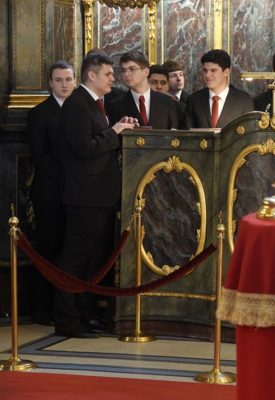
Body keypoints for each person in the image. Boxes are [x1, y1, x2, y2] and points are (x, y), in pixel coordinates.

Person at [55, 52, 137, 338]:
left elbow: (97, 139)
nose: (114, 78)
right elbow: (83, 148)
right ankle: (66, 319)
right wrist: (115, 131)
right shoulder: (77, 104)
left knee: (92, 260)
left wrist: (118, 126)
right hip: (84, 197)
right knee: (74, 259)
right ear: (92, 75)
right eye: (108, 74)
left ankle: (86, 313)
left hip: (99, 197)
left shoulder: (95, 103)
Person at [26, 61, 76, 326]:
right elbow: (39, 154)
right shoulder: (39, 113)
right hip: (49, 193)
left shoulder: (80, 110)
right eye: (58, 80)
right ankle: (41, 307)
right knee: (47, 250)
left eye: (68, 79)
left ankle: (65, 307)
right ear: (50, 83)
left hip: (75, 193)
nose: (64, 85)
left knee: (69, 251)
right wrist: (68, 177)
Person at [109, 51, 181, 129]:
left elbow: (174, 133)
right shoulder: (116, 105)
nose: (126, 74)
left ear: (146, 71)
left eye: (132, 69)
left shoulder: (167, 102)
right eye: (124, 70)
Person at [185, 49, 253, 129]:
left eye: (213, 70)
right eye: (205, 70)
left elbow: (250, 133)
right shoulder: (194, 100)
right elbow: (187, 133)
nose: (207, 75)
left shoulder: (244, 101)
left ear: (226, 72)